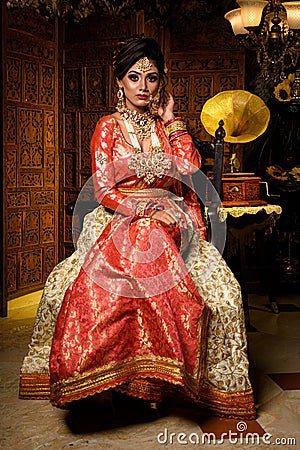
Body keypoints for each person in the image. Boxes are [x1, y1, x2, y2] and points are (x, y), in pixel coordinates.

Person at [19, 35, 256, 420]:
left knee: (223, 294)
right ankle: (120, 378)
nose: (144, 87)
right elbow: (103, 189)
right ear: (119, 82)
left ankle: (165, 380)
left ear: (161, 83)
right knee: (122, 259)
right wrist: (145, 210)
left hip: (173, 216)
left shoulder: (166, 128)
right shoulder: (108, 128)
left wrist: (172, 119)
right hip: (121, 215)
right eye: (134, 77)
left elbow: (190, 170)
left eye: (152, 78)